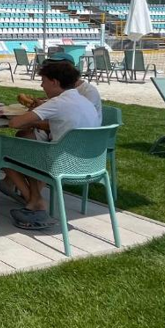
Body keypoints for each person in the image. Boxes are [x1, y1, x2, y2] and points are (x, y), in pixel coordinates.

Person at [6, 60, 100, 230]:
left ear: (54, 82)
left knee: (6, 155)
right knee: (30, 151)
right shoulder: (85, 101)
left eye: (43, 81)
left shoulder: (58, 102)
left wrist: (33, 115)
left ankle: (35, 201)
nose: (42, 85)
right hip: (90, 164)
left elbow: (14, 123)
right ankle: (34, 201)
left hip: (62, 164)